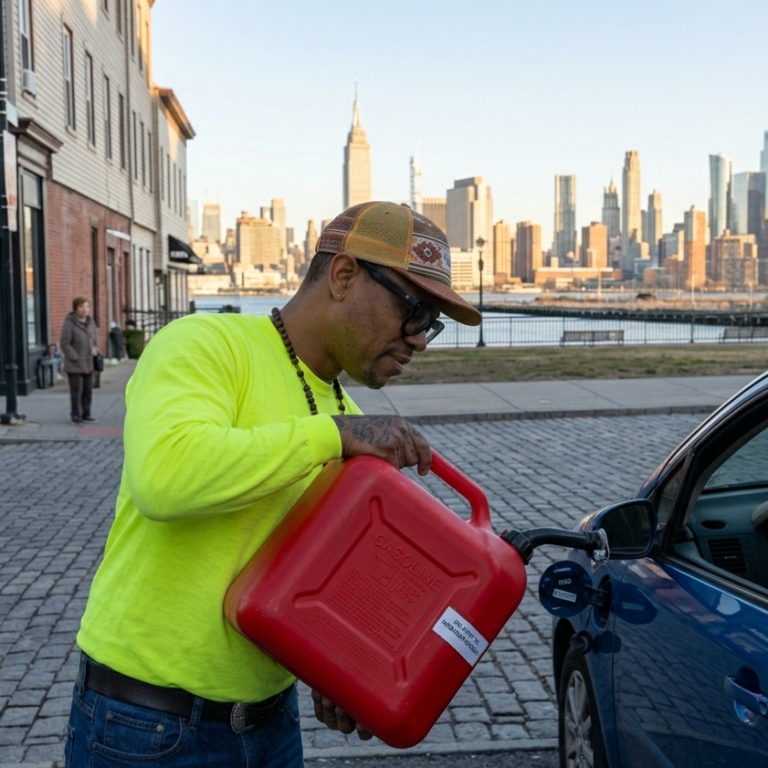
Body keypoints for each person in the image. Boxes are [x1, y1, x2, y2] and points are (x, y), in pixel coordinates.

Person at [64, 202, 481, 767]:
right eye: (414, 312)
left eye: (431, 323)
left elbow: (322, 579)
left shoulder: (347, 419)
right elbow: (165, 478)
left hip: (272, 726)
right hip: (146, 726)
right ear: (343, 276)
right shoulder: (207, 345)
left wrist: (335, 672)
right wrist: (332, 434)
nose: (421, 340)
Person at [59, 297, 100, 424]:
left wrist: (96, 349)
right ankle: (76, 415)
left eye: (87, 307)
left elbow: (95, 339)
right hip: (75, 364)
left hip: (89, 362)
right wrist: (75, 357)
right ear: (75, 308)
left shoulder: (90, 322)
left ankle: (86, 413)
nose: (84, 310)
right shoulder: (70, 323)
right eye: (81, 307)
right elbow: (65, 343)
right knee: (76, 391)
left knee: (88, 390)